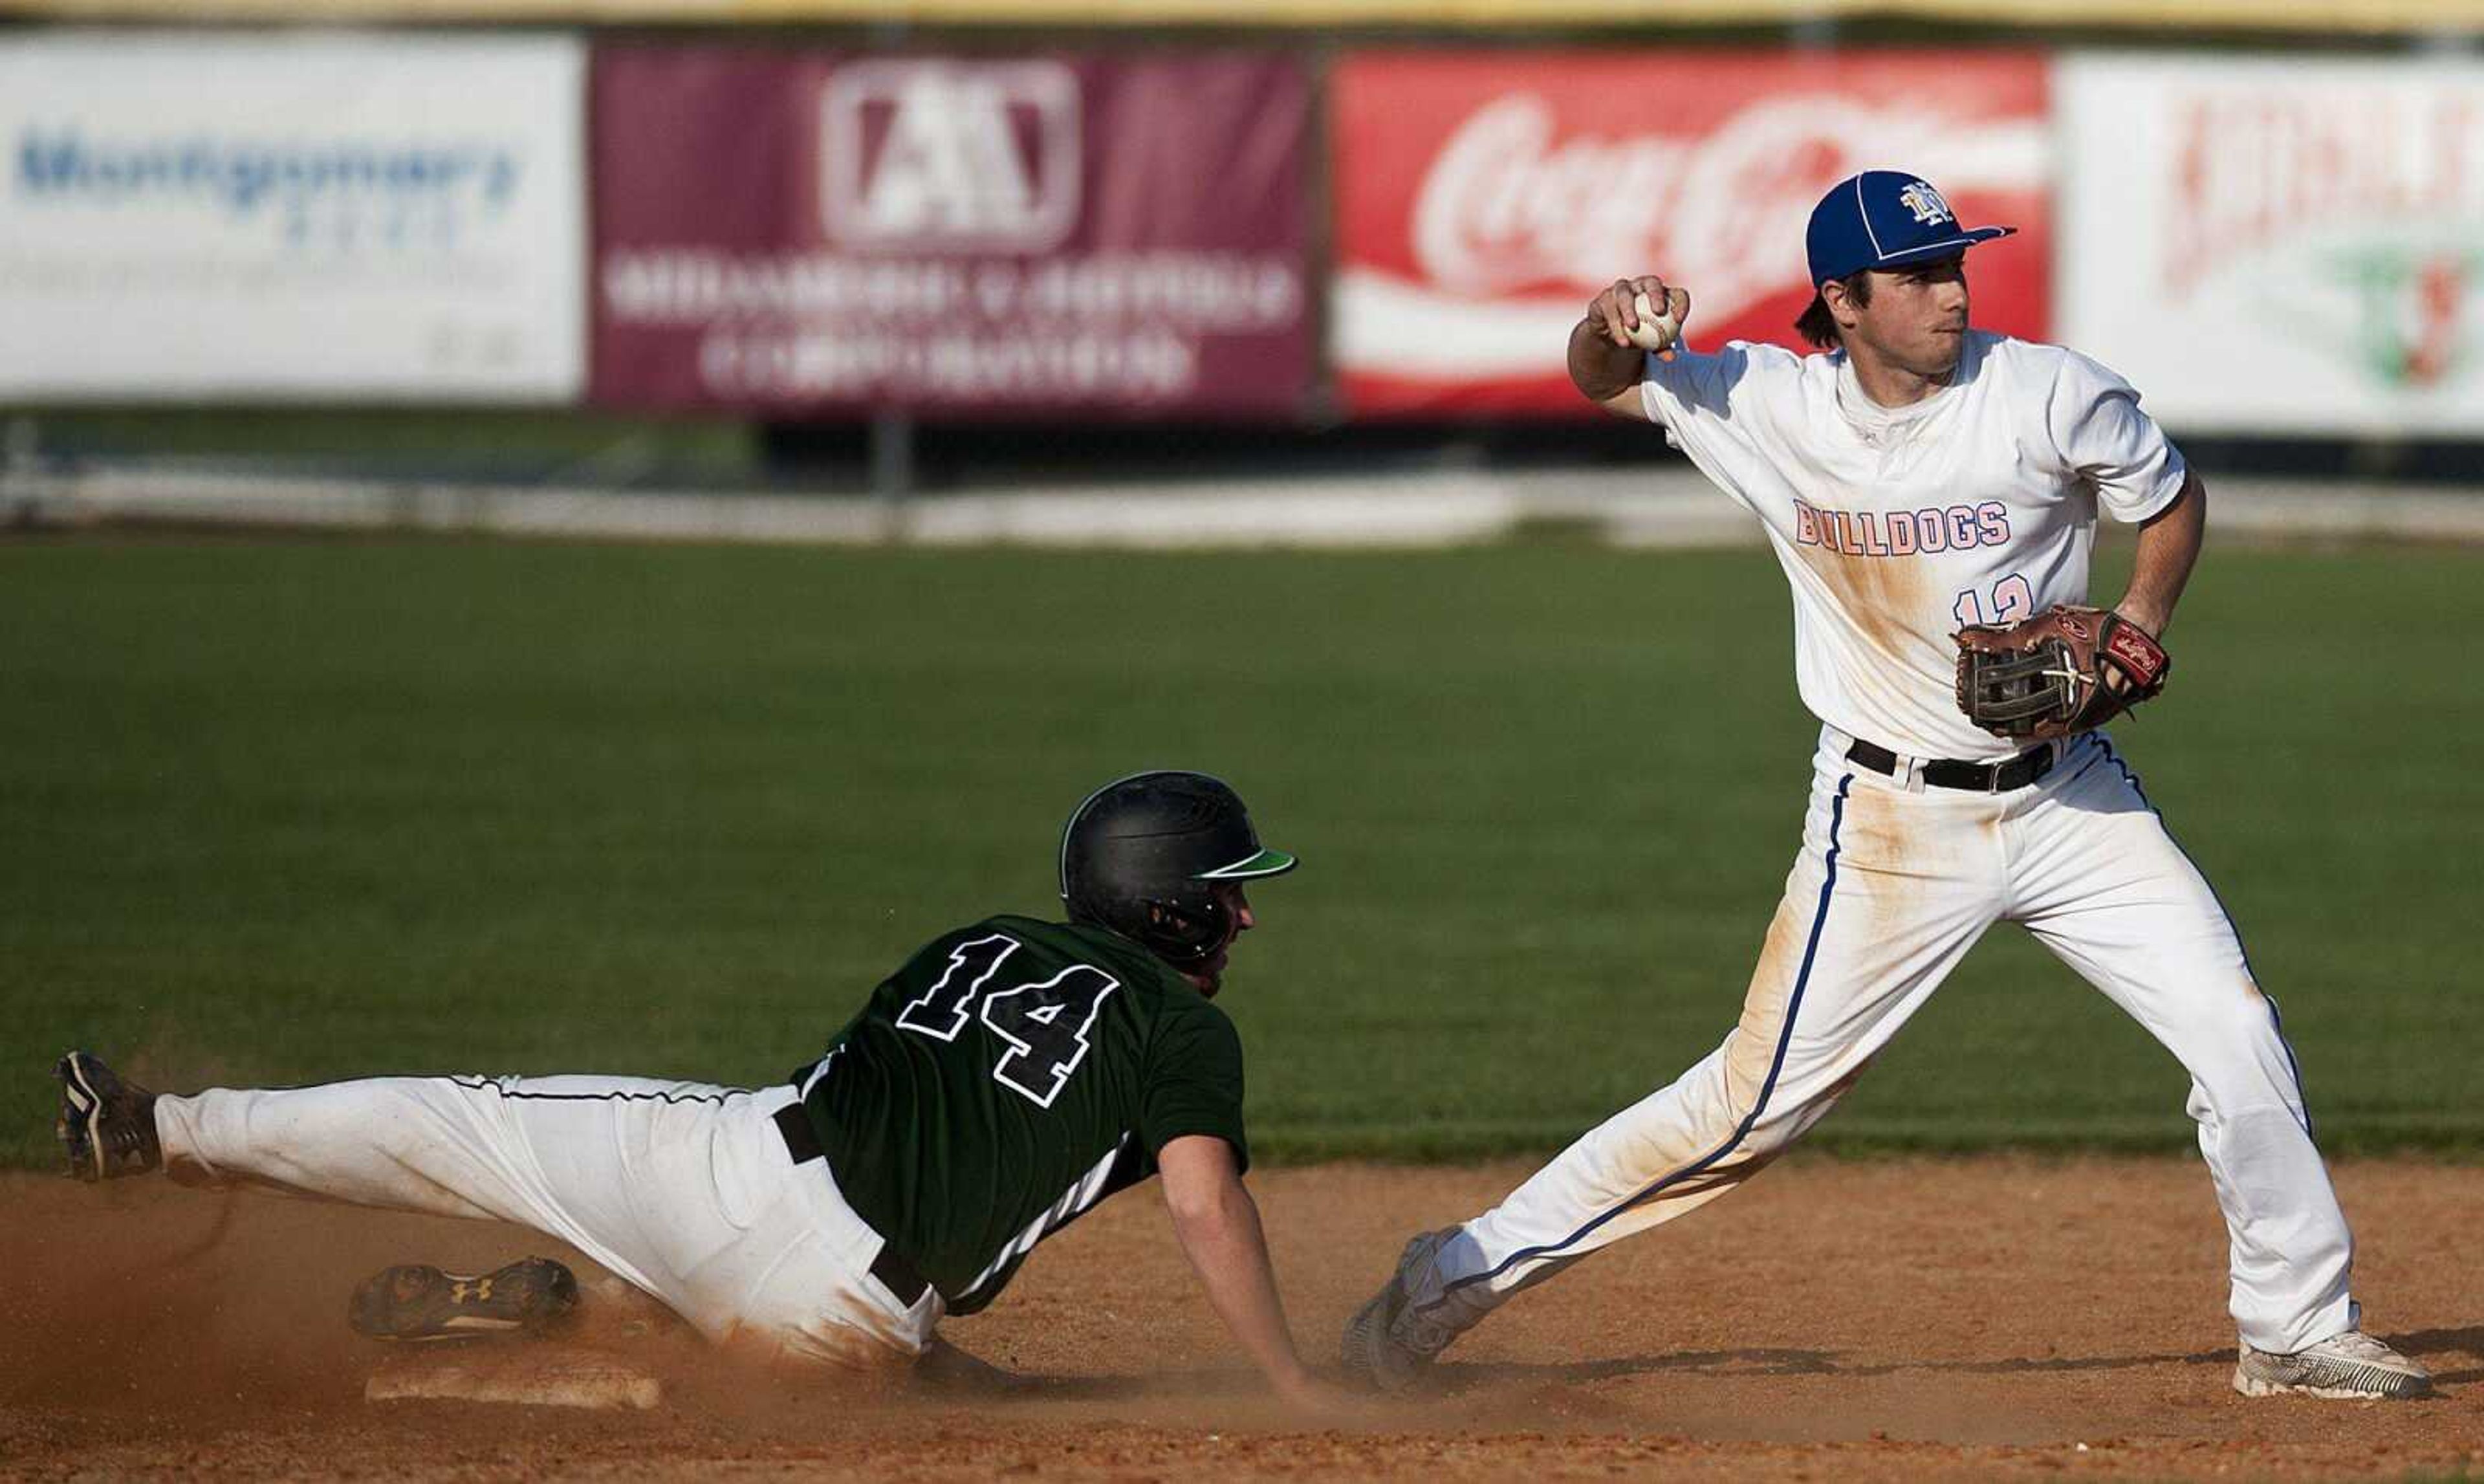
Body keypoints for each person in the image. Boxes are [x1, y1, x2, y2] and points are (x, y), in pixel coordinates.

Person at [1339, 169, 2430, 1402]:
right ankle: (1443, 1283)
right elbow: (1604, 374)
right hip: (1891, 822)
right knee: (1749, 1111)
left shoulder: (2047, 392)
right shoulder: (1762, 400)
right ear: (1843, 302)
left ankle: (2292, 1326)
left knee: (2233, 1028)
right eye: (1918, 276)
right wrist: (1608, 318)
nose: (1951, 291)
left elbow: (2168, 497)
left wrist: (2138, 614)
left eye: (1956, 264)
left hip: (2074, 794)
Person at [57, 769, 1351, 1410]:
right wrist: (1292, 1385)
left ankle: (158, 1130)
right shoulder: (1184, 1032)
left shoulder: (978, 942)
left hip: (727, 1167)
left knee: (463, 1123)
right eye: (1229, 890)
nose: (1244, 915)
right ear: (1166, 902)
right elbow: (1202, 1206)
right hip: (842, 1315)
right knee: (915, 1376)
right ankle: (580, 1326)